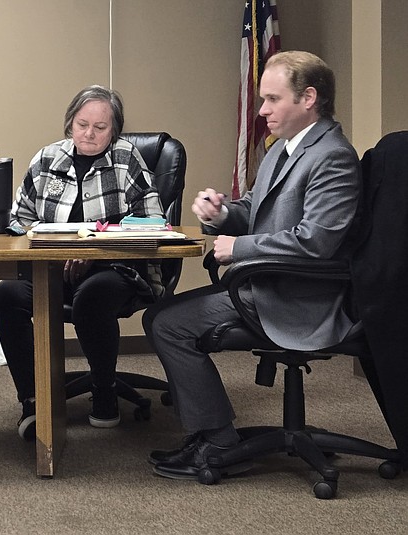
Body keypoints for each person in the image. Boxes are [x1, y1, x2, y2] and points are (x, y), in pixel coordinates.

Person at [143, 51, 360, 480]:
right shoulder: (283, 150)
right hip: (267, 284)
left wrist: (239, 247)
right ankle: (210, 432)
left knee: (167, 324)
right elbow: (256, 212)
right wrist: (222, 214)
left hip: (299, 297)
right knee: (162, 317)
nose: (261, 110)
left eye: (272, 99)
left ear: (308, 98)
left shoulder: (333, 157)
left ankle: (217, 440)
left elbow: (316, 242)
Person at [0, 85, 164, 438]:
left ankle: (104, 390)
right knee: (8, 295)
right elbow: (19, 219)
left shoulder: (127, 159)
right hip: (50, 267)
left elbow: (152, 224)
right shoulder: (46, 159)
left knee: (93, 297)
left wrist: (95, 249)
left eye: (100, 127)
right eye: (81, 124)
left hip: (113, 267)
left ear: (113, 130)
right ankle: (32, 399)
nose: (89, 133)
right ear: (69, 123)